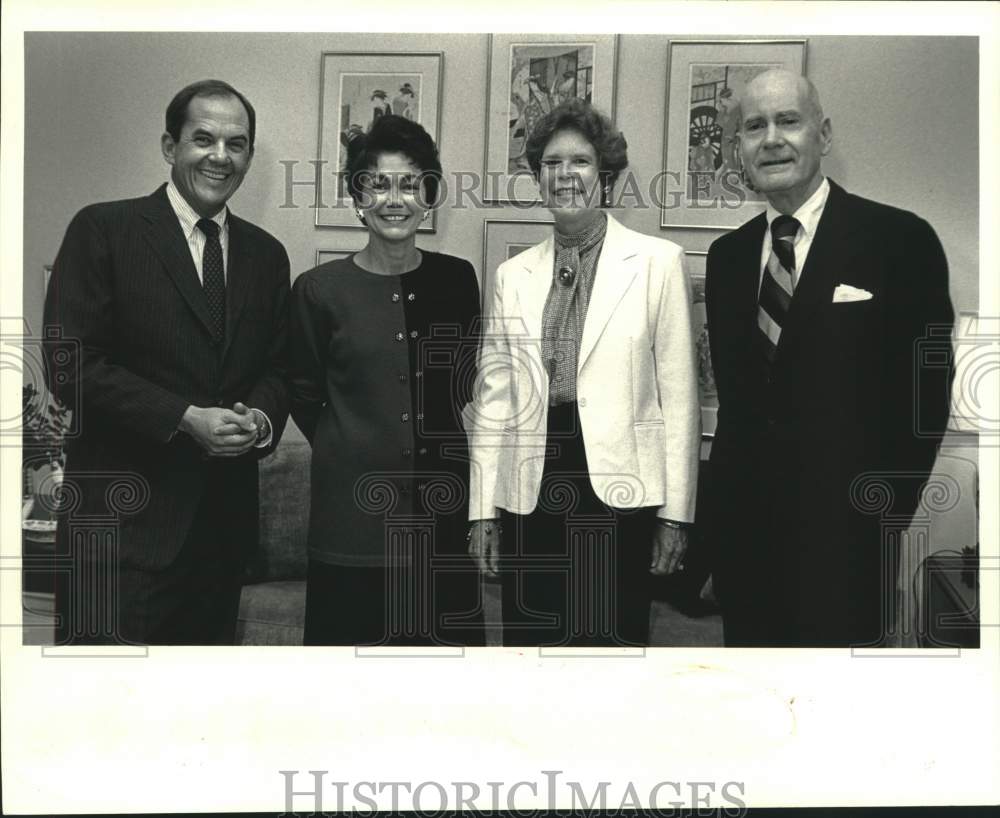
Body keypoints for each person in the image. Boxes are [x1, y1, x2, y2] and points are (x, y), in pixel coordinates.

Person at [705, 69, 954, 647]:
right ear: (738, 147)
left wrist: (882, 513)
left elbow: (925, 397)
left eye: (788, 120)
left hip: (849, 542)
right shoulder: (727, 257)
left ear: (824, 133)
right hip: (747, 546)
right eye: (753, 126)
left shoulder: (900, 240)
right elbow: (741, 408)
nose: (771, 139)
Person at [42, 79, 290, 645]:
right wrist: (184, 416)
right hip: (118, 538)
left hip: (220, 542)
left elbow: (278, 368)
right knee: (106, 718)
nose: (220, 157)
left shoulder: (266, 255)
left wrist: (259, 421)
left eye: (237, 143)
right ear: (169, 146)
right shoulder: (104, 229)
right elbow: (70, 366)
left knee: (198, 718)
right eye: (203, 139)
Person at [467, 99, 701, 647]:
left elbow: (680, 399)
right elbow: (495, 398)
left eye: (580, 162)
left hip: (621, 489)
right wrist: (482, 511)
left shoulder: (658, 262)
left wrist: (677, 516)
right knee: (531, 645)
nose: (564, 175)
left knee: (609, 648)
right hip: (531, 486)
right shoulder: (511, 275)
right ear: (537, 177)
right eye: (551, 163)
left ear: (606, 175)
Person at [289, 114, 484, 646]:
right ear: (357, 199)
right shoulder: (318, 290)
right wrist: (353, 443)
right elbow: (303, 395)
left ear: (429, 195)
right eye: (377, 183)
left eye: (409, 183)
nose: (394, 199)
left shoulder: (458, 280)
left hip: (441, 522)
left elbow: (463, 388)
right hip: (351, 522)